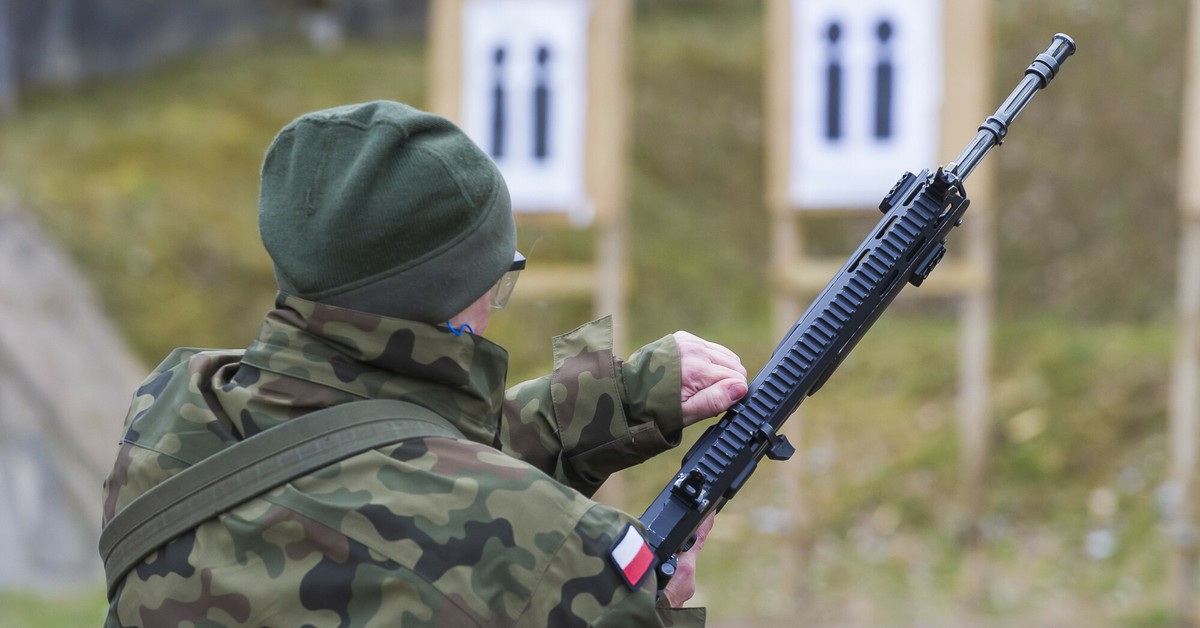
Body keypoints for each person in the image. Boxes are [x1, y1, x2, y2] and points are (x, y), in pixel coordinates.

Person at [100, 101, 748, 627]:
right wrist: (658, 607)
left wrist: (612, 400)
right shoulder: (560, 555)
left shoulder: (167, 420)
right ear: (454, 303)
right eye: (498, 281)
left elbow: (366, 468)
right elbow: (432, 496)